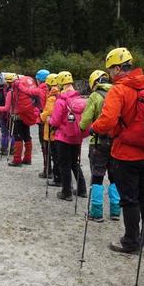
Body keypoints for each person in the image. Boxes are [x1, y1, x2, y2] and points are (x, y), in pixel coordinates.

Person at [91, 48, 144, 254]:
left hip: (125, 153)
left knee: (130, 198)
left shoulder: (119, 90)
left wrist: (94, 128)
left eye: (110, 70)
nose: (109, 74)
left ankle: (131, 241)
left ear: (117, 68)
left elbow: (107, 121)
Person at [79, 69, 120, 222]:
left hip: (98, 141)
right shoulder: (117, 93)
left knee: (97, 177)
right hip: (115, 141)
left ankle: (96, 212)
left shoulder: (95, 96)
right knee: (114, 177)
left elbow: (86, 119)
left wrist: (82, 128)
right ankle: (116, 210)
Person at [49, 71, 88, 200]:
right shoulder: (79, 98)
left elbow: (55, 121)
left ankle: (67, 192)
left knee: (64, 164)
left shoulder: (61, 101)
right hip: (77, 137)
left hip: (64, 137)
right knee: (74, 163)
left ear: (60, 84)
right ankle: (82, 189)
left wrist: (50, 122)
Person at [40, 73, 61, 182]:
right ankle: (58, 176)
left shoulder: (51, 98)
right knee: (57, 155)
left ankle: (56, 176)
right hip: (58, 131)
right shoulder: (60, 94)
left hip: (50, 131)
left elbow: (47, 114)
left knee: (53, 154)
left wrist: (41, 116)